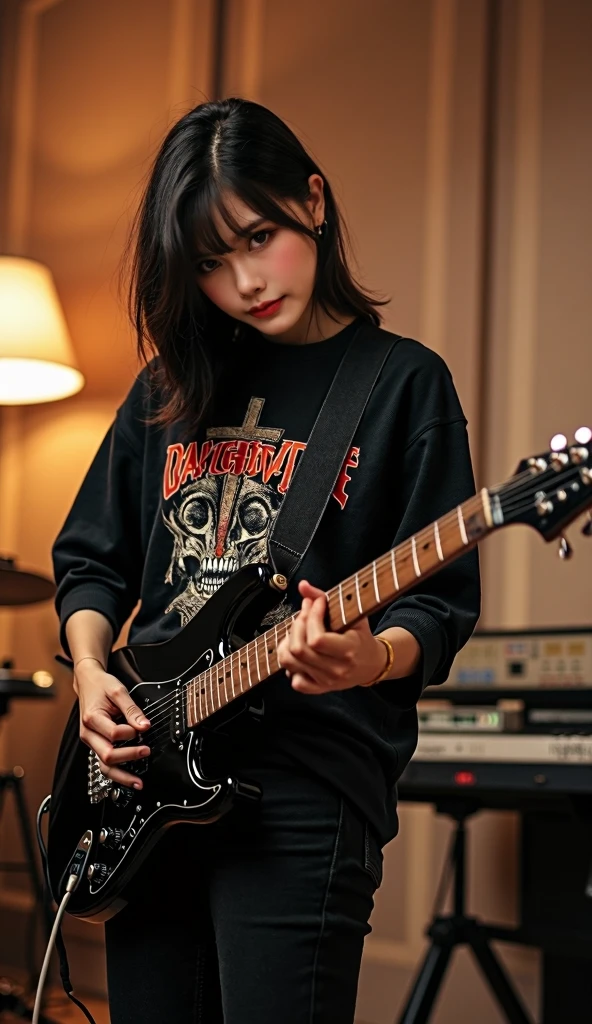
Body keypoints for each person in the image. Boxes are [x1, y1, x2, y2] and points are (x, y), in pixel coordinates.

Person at [52, 97, 480, 1024]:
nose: (244, 280)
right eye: (210, 262)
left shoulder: (405, 384)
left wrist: (370, 657)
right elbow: (92, 563)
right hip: (145, 778)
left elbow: (438, 608)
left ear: (313, 203)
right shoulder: (170, 388)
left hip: (303, 781)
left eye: (258, 235)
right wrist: (90, 676)